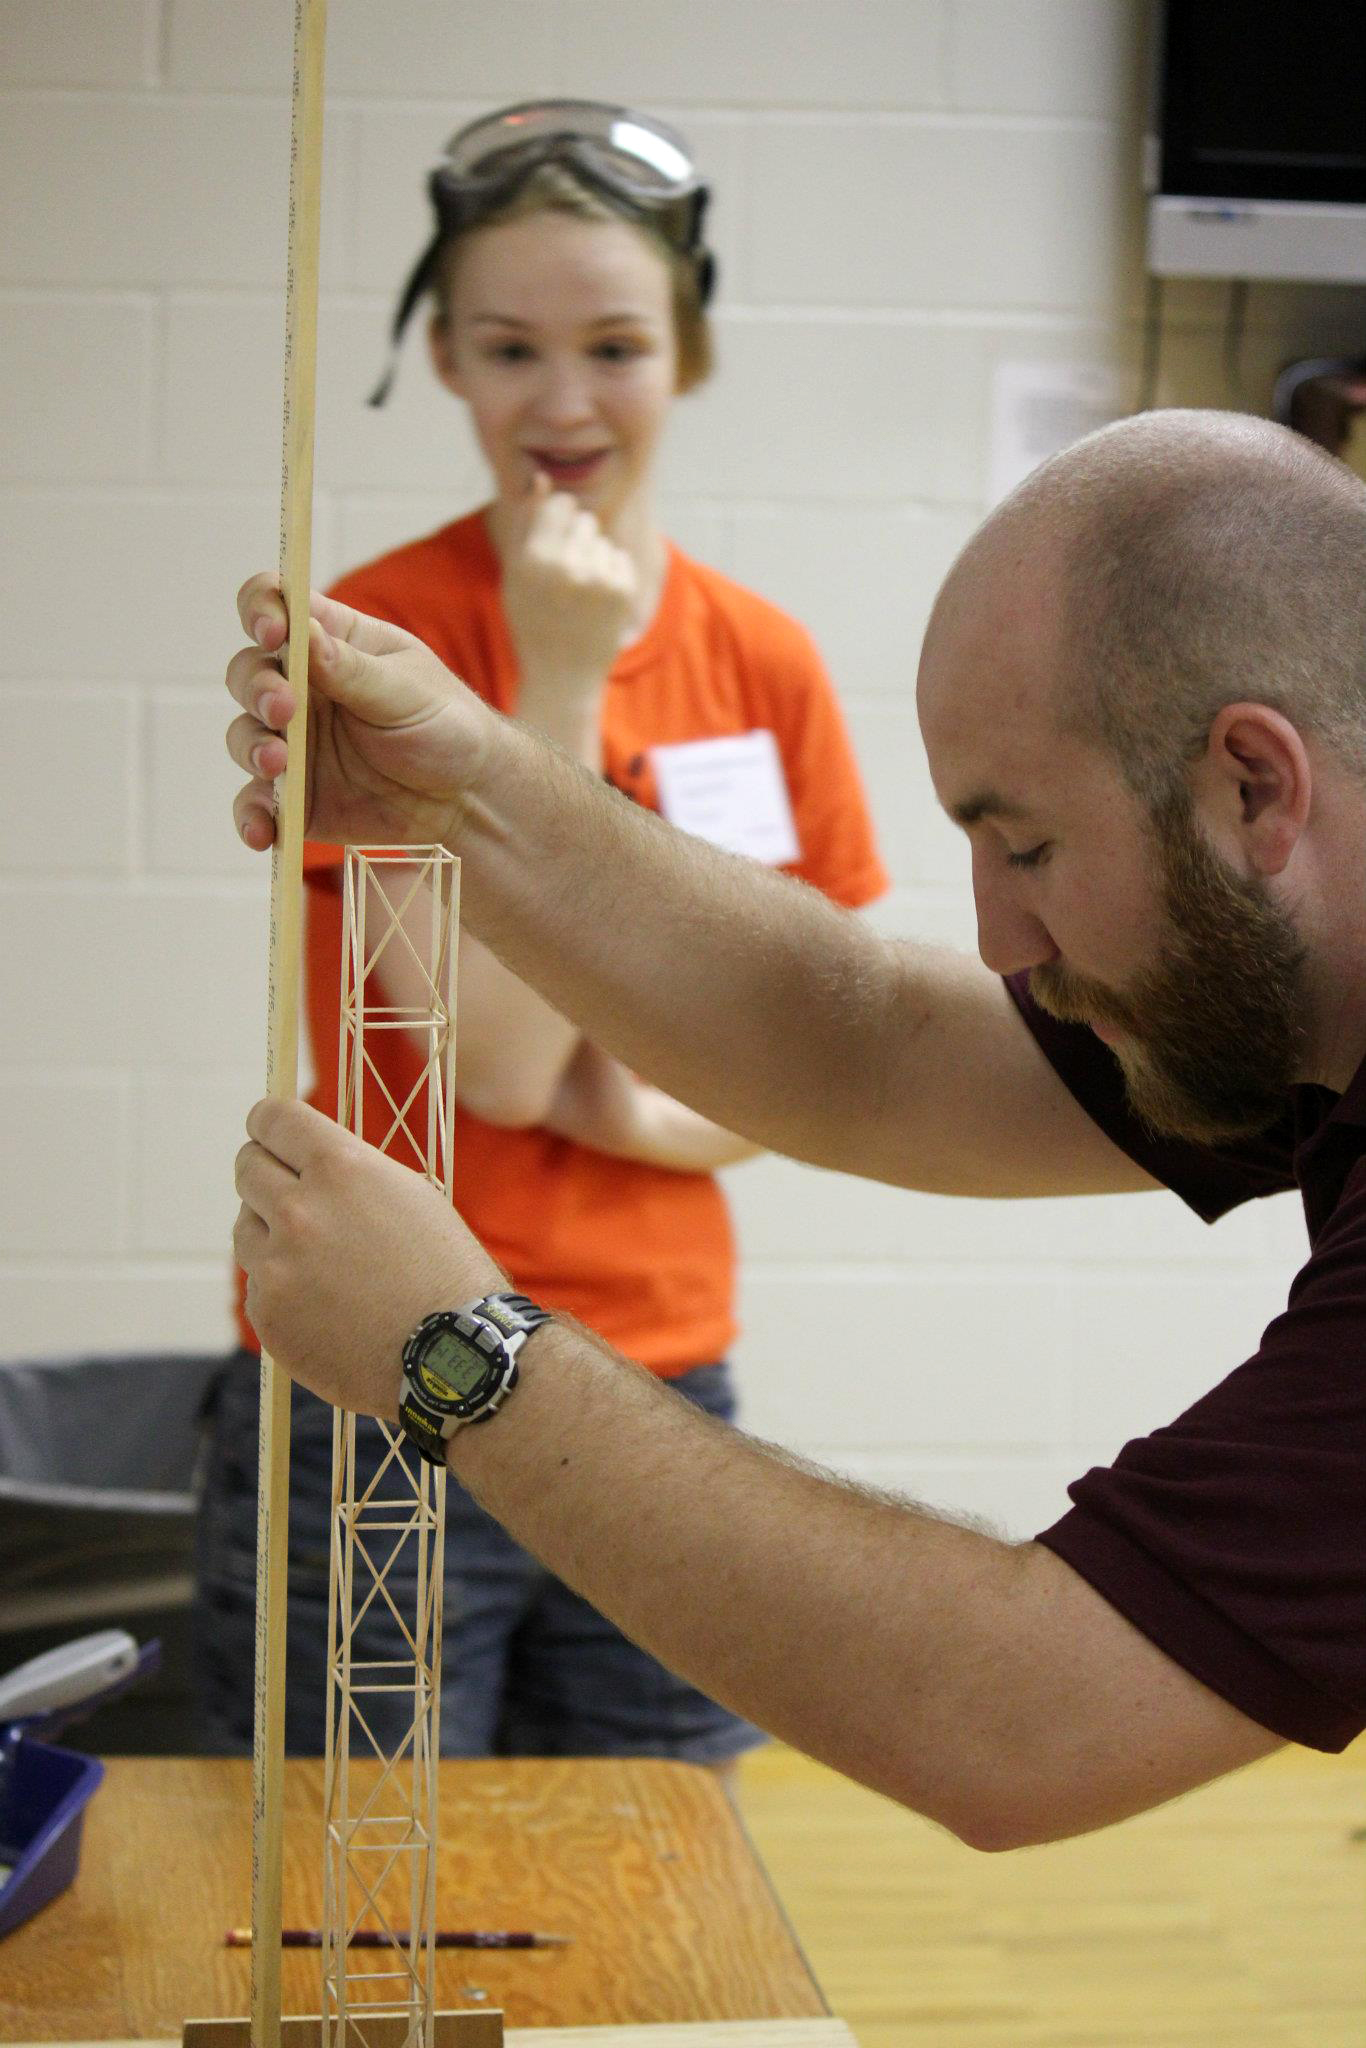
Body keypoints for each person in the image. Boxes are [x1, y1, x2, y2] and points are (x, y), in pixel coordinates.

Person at [227, 406, 1366, 1850]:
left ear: (1253, 785)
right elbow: (876, 1051)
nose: (1001, 937)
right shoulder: (1286, 977)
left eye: (1026, 849)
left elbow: (1019, 1718)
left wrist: (451, 1349)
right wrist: (467, 795)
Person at [196, 100, 887, 1762]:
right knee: (344, 1907)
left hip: (655, 1388)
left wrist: (648, 1108)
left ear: (688, 357)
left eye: (615, 346)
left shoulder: (763, 661)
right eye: (510, 348)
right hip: (374, 1381)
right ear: (440, 357)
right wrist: (558, 680)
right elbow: (492, 1078)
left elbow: (817, 1059)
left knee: (654, 1891)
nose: (563, 403)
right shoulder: (372, 644)